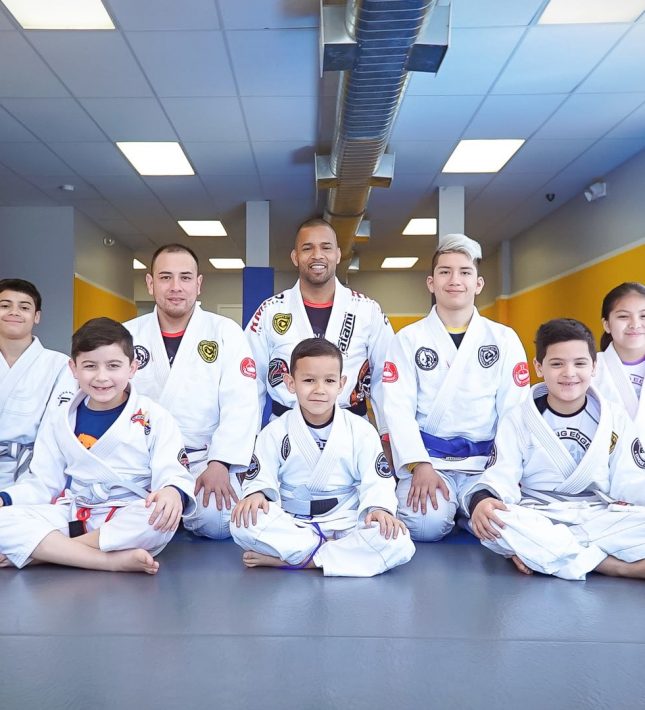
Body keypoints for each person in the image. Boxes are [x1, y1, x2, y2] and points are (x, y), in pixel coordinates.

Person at [0, 318, 195, 574]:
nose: (102, 377)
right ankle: (107, 560)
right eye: (90, 366)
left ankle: (48, 553)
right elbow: (44, 483)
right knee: (4, 520)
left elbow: (172, 471)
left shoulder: (154, 416)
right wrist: (5, 499)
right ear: (73, 368)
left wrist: (171, 491)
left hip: (128, 513)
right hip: (74, 513)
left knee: (155, 519)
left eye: (113, 366)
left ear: (132, 368)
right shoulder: (60, 419)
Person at [463, 318, 645, 581]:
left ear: (594, 366)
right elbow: (500, 476)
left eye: (580, 363)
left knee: (522, 538)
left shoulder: (614, 417)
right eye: (557, 364)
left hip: (597, 513)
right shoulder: (518, 418)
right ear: (539, 367)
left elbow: (630, 480)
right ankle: (615, 566)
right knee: (494, 520)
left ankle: (543, 553)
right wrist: (481, 500)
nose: (569, 373)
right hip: (537, 514)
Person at [382, 234, 529, 541]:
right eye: (445, 272)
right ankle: (462, 510)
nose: (455, 280)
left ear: (478, 283)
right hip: (431, 461)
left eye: (465, 272)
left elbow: (515, 412)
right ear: (431, 282)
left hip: (486, 464)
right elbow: (397, 408)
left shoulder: (503, 339)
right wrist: (419, 464)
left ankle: (469, 508)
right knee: (424, 527)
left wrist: (504, 471)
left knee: (501, 525)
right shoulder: (408, 339)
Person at [230, 338, 415, 577]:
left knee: (398, 542)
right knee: (242, 523)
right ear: (290, 383)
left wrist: (379, 509)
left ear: (341, 384)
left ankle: (302, 560)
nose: (319, 389)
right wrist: (256, 493)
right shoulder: (274, 431)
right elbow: (260, 477)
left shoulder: (361, 430)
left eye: (329, 381)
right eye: (309, 380)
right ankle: (335, 554)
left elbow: (377, 480)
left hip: (346, 520)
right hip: (292, 522)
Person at [124, 244, 259, 540]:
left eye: (185, 277)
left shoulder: (224, 331)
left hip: (200, 460)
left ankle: (176, 509)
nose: (176, 287)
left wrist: (221, 463)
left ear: (198, 284)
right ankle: (170, 512)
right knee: (128, 515)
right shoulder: (127, 335)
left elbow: (241, 403)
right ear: (150, 283)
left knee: (219, 522)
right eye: (165, 277)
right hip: (141, 460)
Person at [245, 218, 393, 442]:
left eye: (326, 247)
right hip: (285, 434)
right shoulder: (270, 311)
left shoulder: (367, 310)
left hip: (353, 435)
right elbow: (249, 381)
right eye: (307, 248)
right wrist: (248, 439)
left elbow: (386, 378)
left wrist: (388, 435)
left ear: (338, 255)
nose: (317, 255)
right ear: (295, 256)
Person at [0, 278, 75, 488]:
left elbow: (56, 428)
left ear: (37, 316)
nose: (14, 312)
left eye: (24, 307)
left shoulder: (59, 365)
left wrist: (39, 479)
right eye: (5, 306)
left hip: (31, 472)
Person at [594, 282, 645, 433]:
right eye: (623, 316)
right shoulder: (589, 369)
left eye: (643, 316)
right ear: (607, 325)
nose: (635, 324)